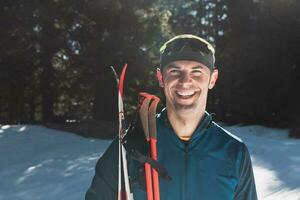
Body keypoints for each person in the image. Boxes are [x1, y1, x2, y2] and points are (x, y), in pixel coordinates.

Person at [85, 34, 258, 200]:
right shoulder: (129, 145)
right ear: (161, 77)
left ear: (212, 79)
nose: (185, 81)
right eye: (175, 71)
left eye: (196, 72)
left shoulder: (234, 152)